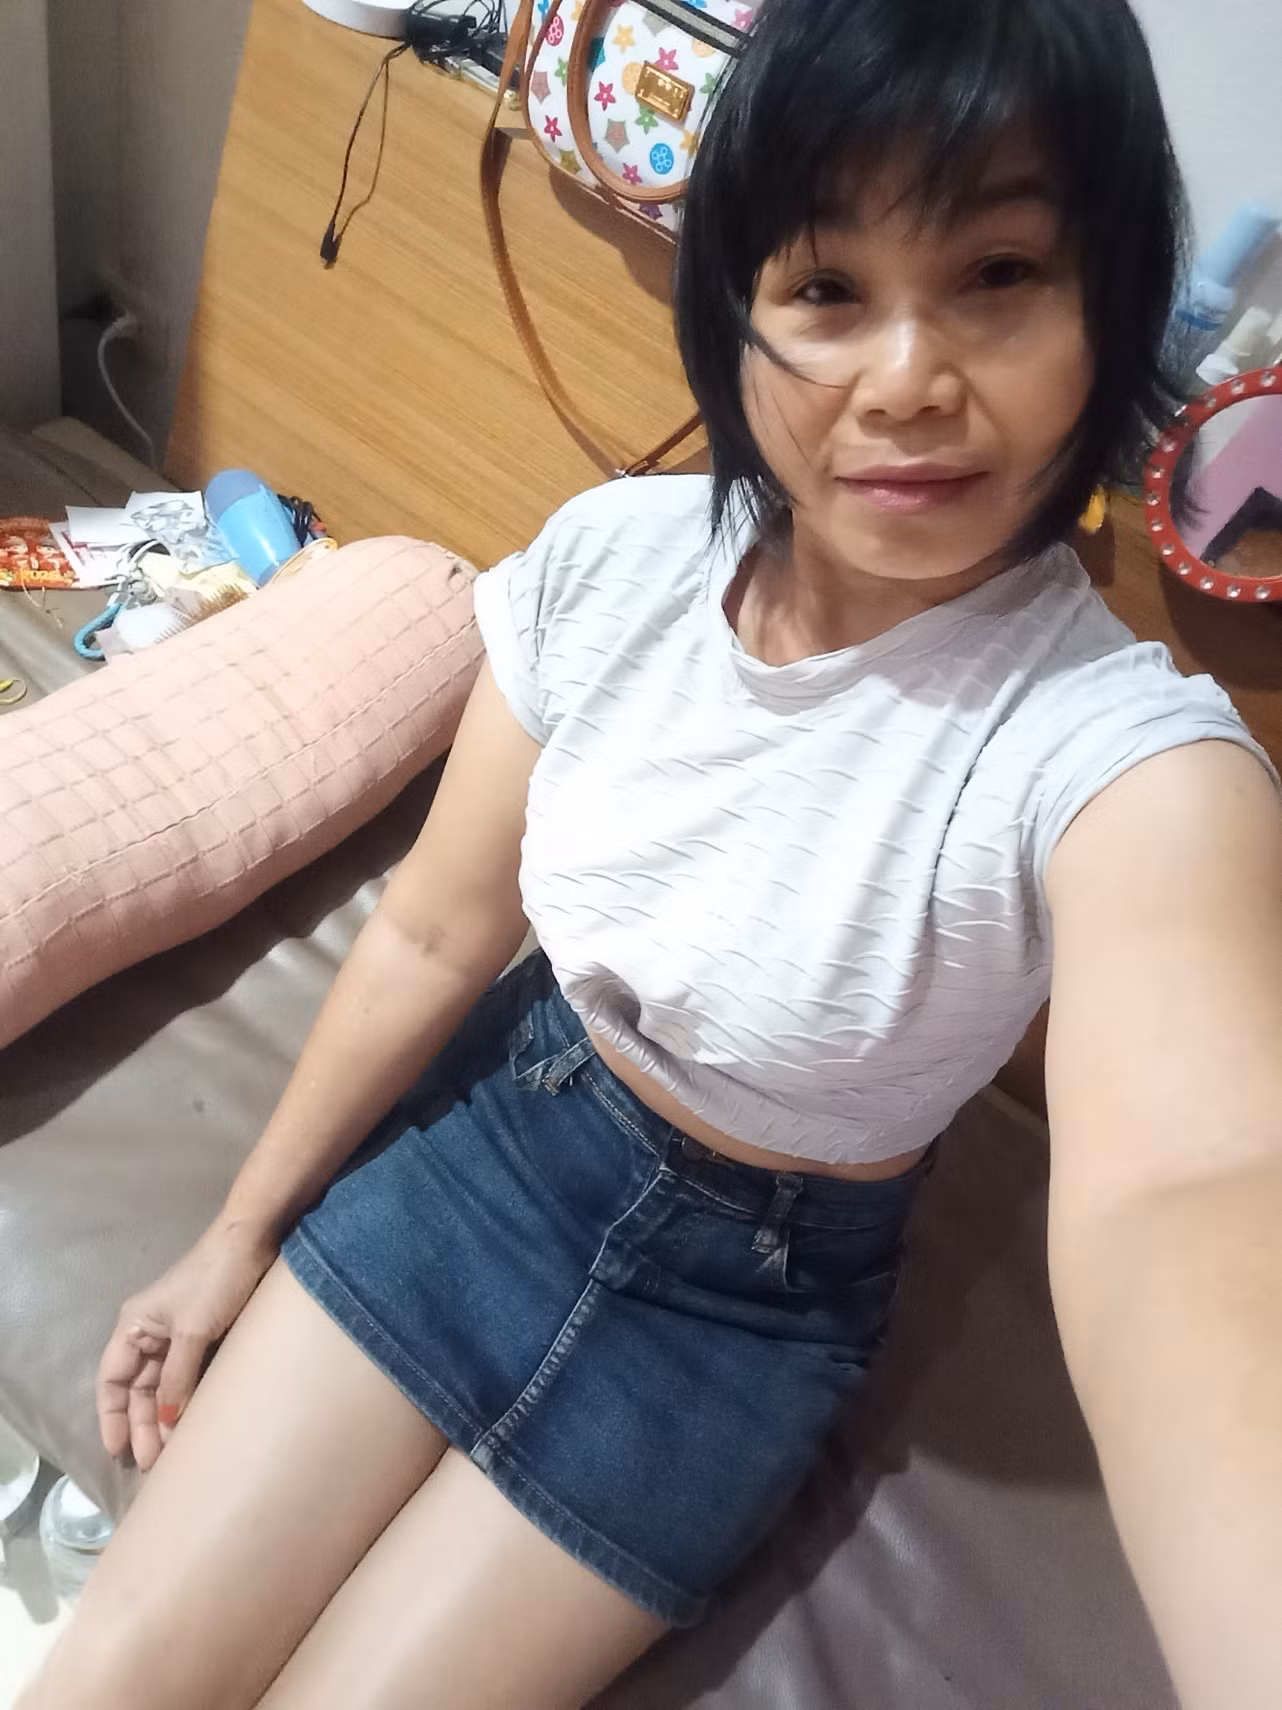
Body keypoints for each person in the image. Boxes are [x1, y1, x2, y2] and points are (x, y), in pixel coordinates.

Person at [23, 0, 1282, 1705]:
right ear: (732, 313)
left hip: (744, 1312)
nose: (907, 379)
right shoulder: (610, 564)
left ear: (1105, 302)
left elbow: (1196, 1190)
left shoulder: (1115, 750)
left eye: (997, 273)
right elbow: (430, 934)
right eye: (826, 288)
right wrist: (234, 1232)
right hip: (495, 1140)